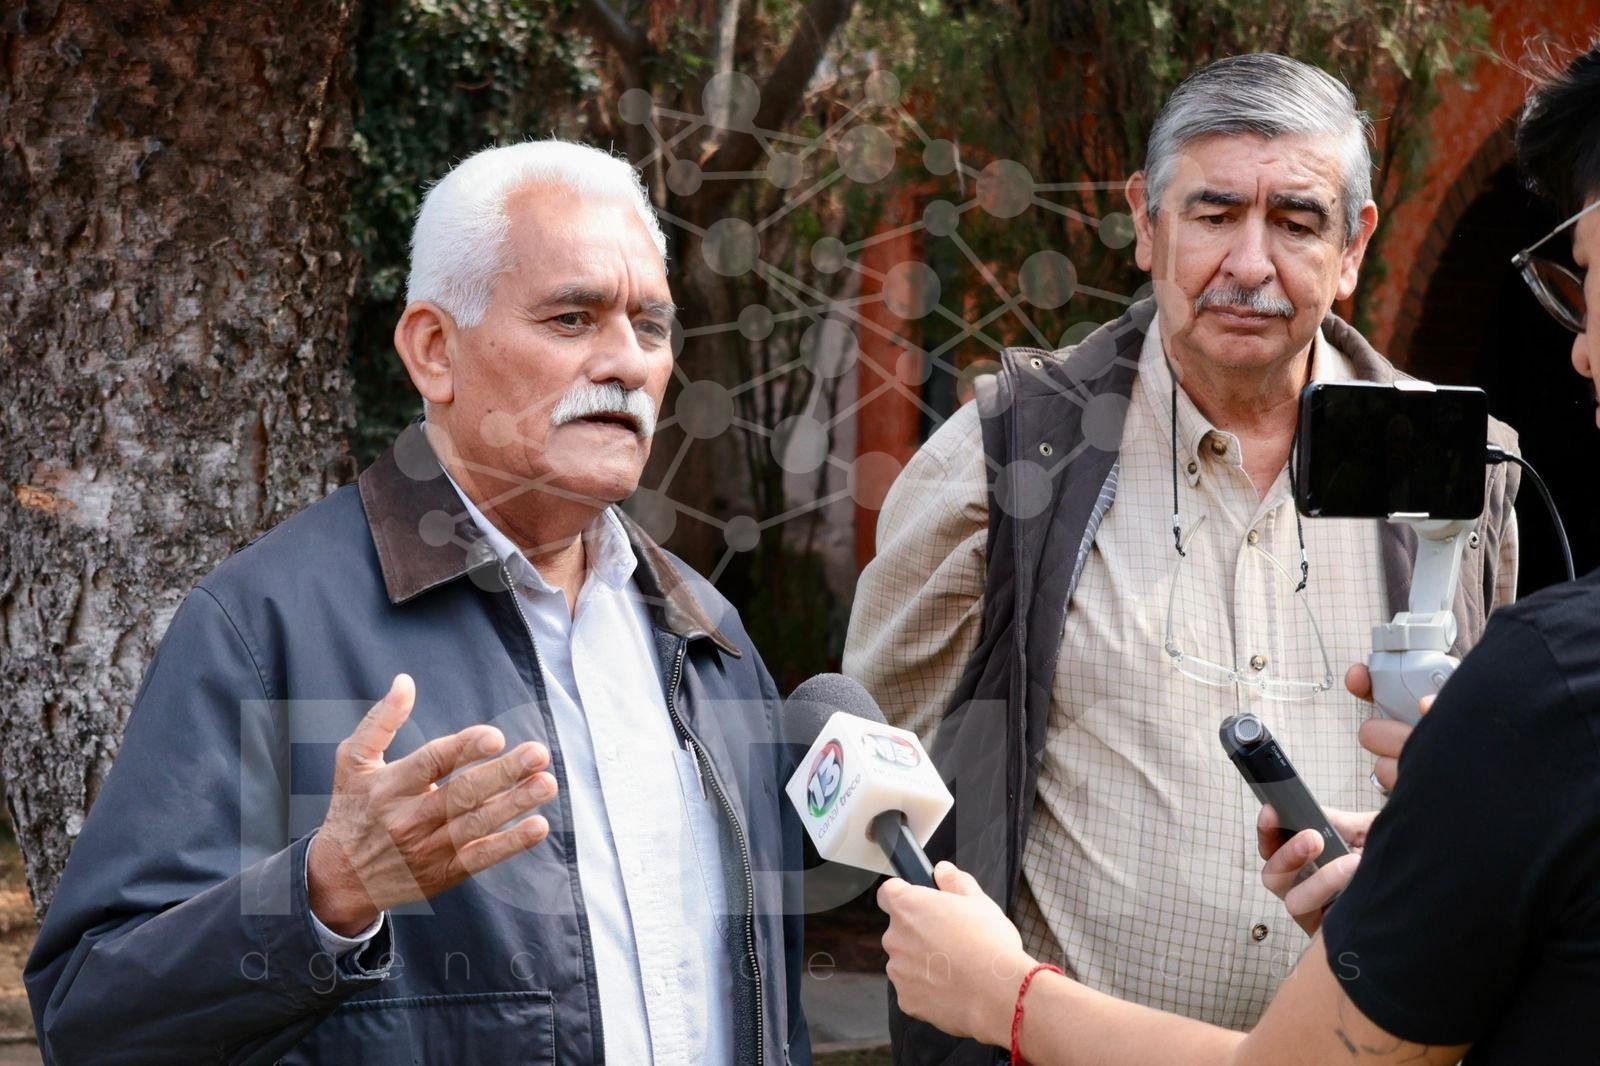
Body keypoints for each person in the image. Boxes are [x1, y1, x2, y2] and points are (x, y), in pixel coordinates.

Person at [876, 40, 1600, 1065]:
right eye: (1213, 215)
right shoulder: (1003, 456)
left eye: (1296, 222)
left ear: (1353, 246)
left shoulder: (1459, 464)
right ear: (1146, 223)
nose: (1250, 265)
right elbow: (890, 785)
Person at [24, 140, 812, 1065]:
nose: (627, 363)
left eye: (650, 326)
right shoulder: (269, 627)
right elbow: (92, 1016)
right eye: (572, 318)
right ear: (435, 350)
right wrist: (325, 895)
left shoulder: (705, 633)